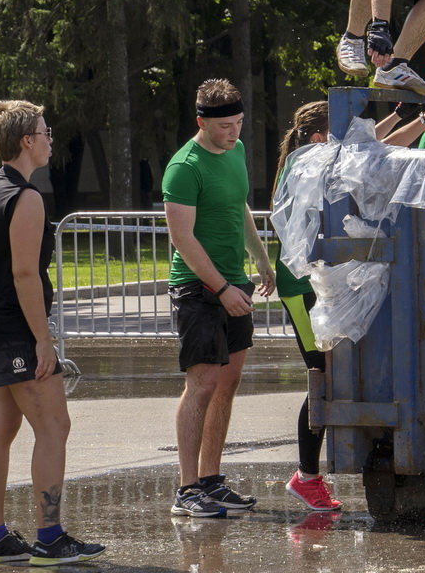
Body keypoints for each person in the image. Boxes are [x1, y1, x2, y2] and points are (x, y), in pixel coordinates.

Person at [0, 101, 104, 566]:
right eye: (45, 132)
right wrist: (44, 341)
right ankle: (50, 537)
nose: (50, 138)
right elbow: (26, 275)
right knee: (54, 425)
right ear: (27, 140)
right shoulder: (26, 197)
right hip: (13, 330)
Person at [163, 79, 277, 518]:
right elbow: (182, 237)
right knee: (202, 383)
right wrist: (222, 289)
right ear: (202, 123)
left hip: (234, 282)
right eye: (225, 126)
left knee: (227, 384)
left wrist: (261, 259)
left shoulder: (236, 152)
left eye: (239, 124)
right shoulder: (184, 166)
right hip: (198, 287)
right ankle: (186, 488)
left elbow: (239, 207)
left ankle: (210, 480)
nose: (234, 133)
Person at [271, 101, 343, 512]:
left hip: (315, 281)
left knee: (332, 373)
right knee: (321, 374)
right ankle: (306, 476)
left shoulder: (308, 162)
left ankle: (309, 475)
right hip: (301, 286)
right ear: (319, 137)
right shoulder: (304, 168)